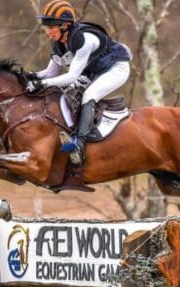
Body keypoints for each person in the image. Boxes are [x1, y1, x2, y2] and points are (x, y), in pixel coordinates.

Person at [25, 0, 131, 166]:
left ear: (65, 25)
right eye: (46, 26)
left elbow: (72, 77)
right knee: (67, 95)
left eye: (52, 26)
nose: (48, 31)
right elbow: (50, 72)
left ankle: (79, 145)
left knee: (89, 95)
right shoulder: (59, 44)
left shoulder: (82, 39)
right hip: (93, 72)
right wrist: (28, 76)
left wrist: (43, 84)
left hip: (116, 68)